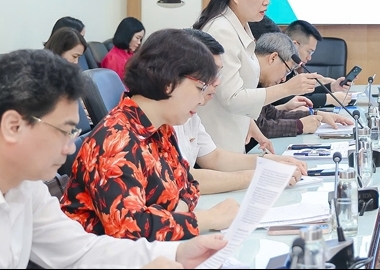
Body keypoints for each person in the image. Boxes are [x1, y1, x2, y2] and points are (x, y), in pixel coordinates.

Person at [0, 48, 227, 268]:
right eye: (64, 131)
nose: (69, 149)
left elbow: (81, 251)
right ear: (13, 126)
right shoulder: (113, 138)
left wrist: (177, 253)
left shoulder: (26, 187)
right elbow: (128, 228)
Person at [60, 29, 240, 240]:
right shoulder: (115, 140)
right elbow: (129, 230)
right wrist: (208, 219)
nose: (202, 100)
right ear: (169, 82)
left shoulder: (160, 128)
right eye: (200, 88)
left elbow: (189, 186)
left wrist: (173, 216)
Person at [193, 0, 321, 153]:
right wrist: (287, 88)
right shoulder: (221, 30)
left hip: (232, 136)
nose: (267, 1)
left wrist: (251, 126)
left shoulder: (241, 25)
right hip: (218, 141)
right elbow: (232, 97)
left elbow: (240, 89)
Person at [174, 29, 306, 194]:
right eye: (211, 73)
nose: (218, 82)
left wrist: (270, 161)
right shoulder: (155, 122)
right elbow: (178, 178)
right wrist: (260, 174)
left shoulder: (190, 114)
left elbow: (214, 157)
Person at [254, 32, 353, 138]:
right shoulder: (247, 78)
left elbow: (271, 113)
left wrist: (316, 114)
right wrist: (299, 126)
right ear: (273, 58)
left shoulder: (259, 82)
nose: (284, 79)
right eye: (287, 71)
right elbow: (260, 127)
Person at [284, 20, 353, 108]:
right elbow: (285, 100)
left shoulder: (291, 67)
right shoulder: (278, 66)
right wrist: (328, 99)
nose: (309, 58)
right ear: (294, 45)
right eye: (309, 51)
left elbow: (301, 95)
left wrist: (332, 87)